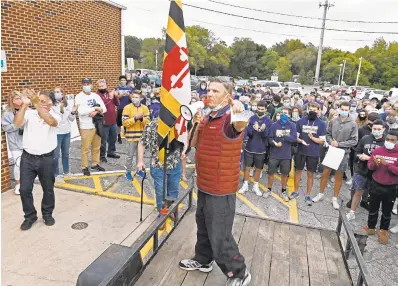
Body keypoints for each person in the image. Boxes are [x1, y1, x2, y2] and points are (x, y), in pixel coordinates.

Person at [179, 79, 251, 286]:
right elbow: (193, 144)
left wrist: (239, 111)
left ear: (227, 96)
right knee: (203, 225)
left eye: (214, 91)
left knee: (220, 233)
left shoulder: (230, 117)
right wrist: (195, 123)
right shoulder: (209, 117)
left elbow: (240, 125)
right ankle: (203, 260)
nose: (208, 93)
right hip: (205, 182)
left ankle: (239, 273)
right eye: (208, 89)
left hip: (221, 186)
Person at [13, 89, 61, 230]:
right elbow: (17, 123)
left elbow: (51, 122)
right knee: (24, 189)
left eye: (47, 102)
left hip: (47, 159)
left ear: (51, 104)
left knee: (48, 189)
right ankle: (30, 216)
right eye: (41, 101)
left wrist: (36, 104)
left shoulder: (55, 116)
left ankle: (47, 214)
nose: (43, 104)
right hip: (28, 158)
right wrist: (25, 105)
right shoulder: (29, 113)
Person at [312, 101, 358, 209]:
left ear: (349, 110)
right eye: (342, 109)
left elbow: (354, 141)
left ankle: (335, 198)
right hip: (332, 151)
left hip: (343, 153)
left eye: (346, 110)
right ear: (339, 109)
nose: (344, 111)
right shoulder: (333, 121)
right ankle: (320, 193)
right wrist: (330, 141)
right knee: (325, 173)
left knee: (339, 176)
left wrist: (340, 144)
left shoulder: (353, 124)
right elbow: (327, 134)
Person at [136, 116, 183, 213]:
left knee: (173, 191)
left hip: (175, 164)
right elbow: (142, 143)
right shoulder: (153, 124)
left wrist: (184, 151)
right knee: (161, 193)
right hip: (158, 166)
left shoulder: (179, 123)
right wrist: (140, 161)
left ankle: (170, 211)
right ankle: (162, 214)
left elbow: (186, 140)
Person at [362, 130, 398, 245]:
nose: (389, 142)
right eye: (387, 139)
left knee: (386, 212)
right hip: (376, 184)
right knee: (373, 208)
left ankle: (383, 231)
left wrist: (386, 164)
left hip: (390, 187)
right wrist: (375, 164)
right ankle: (371, 227)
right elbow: (370, 166)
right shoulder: (378, 150)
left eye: (392, 140)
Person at [346, 120, 386, 221]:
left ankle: (372, 217)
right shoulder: (366, 138)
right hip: (362, 170)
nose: (376, 131)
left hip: (377, 173)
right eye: (374, 129)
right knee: (357, 191)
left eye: (379, 129)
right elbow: (357, 151)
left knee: (373, 195)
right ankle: (352, 212)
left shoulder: (386, 143)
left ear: (384, 129)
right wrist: (360, 157)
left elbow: (386, 160)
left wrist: (369, 158)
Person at [291, 102, 326, 205]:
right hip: (301, 151)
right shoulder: (300, 121)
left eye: (315, 110)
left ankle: (307, 195)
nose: (313, 111)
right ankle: (296, 191)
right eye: (311, 109)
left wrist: (312, 138)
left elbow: (322, 141)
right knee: (298, 172)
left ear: (319, 111)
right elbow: (295, 137)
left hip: (313, 153)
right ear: (307, 109)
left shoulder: (322, 124)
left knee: (310, 174)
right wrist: (301, 141)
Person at [239, 100, 272, 196]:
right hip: (250, 147)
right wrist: (253, 129)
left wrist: (262, 130)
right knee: (247, 167)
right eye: (258, 108)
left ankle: (255, 185)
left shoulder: (268, 121)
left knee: (258, 168)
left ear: (266, 109)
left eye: (262, 109)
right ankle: (245, 184)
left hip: (261, 148)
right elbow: (247, 133)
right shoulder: (251, 118)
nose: (260, 110)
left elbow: (267, 136)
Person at [75, 78, 107, 176]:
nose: (86, 85)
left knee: (96, 147)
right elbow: (80, 111)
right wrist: (95, 108)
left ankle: (95, 163)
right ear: (82, 85)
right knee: (85, 148)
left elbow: (104, 108)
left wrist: (96, 111)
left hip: (97, 125)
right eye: (84, 83)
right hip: (86, 127)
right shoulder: (79, 97)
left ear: (92, 85)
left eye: (88, 83)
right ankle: (84, 166)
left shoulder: (95, 96)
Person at [267, 106, 297, 201]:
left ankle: (283, 191)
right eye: (282, 113)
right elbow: (269, 138)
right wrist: (275, 143)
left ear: (289, 115)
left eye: (286, 113)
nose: (284, 114)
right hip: (274, 154)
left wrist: (284, 135)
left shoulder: (292, 125)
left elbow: (294, 138)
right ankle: (269, 189)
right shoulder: (274, 125)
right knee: (271, 173)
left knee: (285, 174)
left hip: (286, 155)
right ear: (279, 114)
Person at [122, 90, 150, 181]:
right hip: (130, 136)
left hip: (141, 137)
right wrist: (134, 118)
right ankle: (128, 172)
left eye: (137, 97)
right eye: (133, 97)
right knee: (129, 156)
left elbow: (148, 122)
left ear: (141, 98)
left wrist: (141, 118)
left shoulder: (145, 108)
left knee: (140, 155)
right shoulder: (127, 108)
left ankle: (139, 170)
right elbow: (125, 123)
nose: (135, 99)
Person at [52, 87, 76, 184]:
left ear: (62, 93)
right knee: (56, 155)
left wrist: (73, 112)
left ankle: (66, 172)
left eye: (58, 92)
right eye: (55, 92)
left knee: (65, 153)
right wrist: (61, 112)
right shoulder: (53, 105)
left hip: (67, 132)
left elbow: (71, 119)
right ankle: (56, 174)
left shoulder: (67, 104)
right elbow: (55, 119)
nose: (56, 93)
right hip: (57, 133)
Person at [2, 90, 24, 195]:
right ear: (12, 100)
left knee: (26, 164)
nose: (19, 100)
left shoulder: (25, 110)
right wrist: (17, 124)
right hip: (14, 143)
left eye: (20, 98)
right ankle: (18, 184)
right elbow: (6, 128)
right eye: (16, 98)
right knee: (19, 164)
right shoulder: (7, 113)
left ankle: (26, 182)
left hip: (26, 142)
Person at [96, 79, 120, 163]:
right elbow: (103, 105)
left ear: (106, 85)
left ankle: (111, 152)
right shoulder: (97, 95)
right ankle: (102, 156)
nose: (102, 87)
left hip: (113, 120)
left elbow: (117, 103)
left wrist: (116, 96)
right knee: (103, 140)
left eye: (103, 85)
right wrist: (110, 97)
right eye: (100, 86)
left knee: (113, 138)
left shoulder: (109, 93)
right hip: (103, 122)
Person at [115, 75, 134, 144]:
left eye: (124, 80)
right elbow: (116, 98)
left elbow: (132, 99)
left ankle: (127, 135)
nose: (123, 81)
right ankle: (119, 136)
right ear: (119, 81)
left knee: (127, 122)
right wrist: (122, 94)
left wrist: (128, 94)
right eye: (121, 80)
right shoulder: (117, 88)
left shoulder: (130, 88)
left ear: (126, 81)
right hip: (120, 107)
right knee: (119, 123)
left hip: (128, 108)